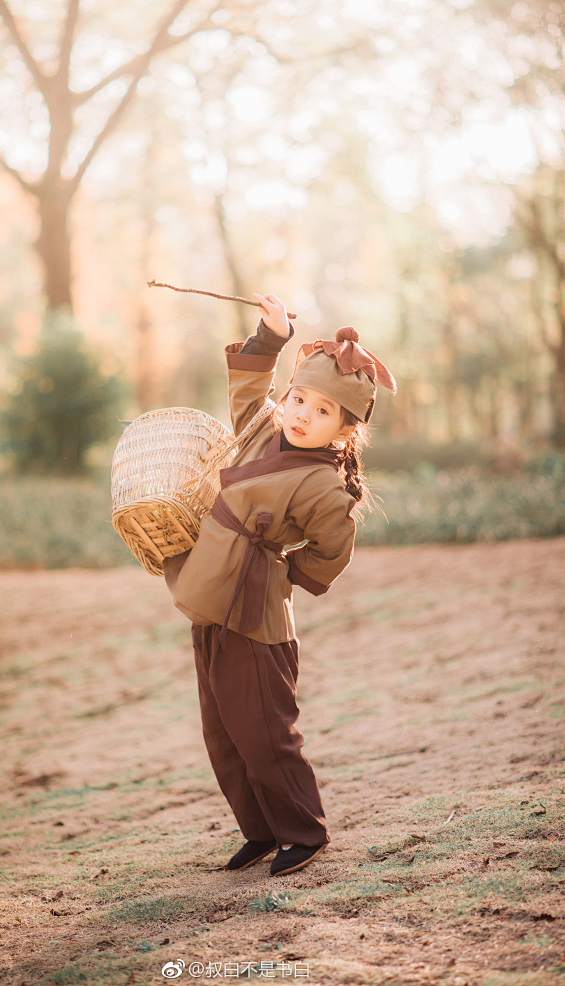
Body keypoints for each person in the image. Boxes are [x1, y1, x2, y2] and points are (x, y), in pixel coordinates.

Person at [163, 291, 396, 877]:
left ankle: (303, 830)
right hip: (211, 600)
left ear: (345, 431)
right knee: (222, 732)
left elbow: (330, 553)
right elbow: (248, 389)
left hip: (255, 615)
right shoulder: (264, 430)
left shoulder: (324, 487)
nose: (300, 414)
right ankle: (262, 830)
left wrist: (279, 572)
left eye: (321, 411)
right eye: (298, 399)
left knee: (264, 731)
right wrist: (271, 335)